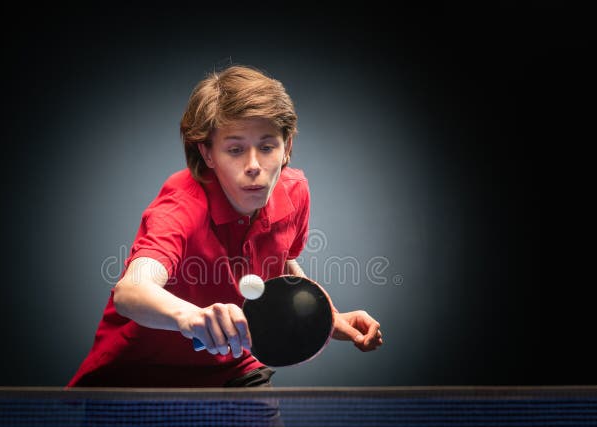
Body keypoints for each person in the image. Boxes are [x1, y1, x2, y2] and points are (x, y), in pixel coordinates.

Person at [69, 65, 383, 389]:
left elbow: (281, 261)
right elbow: (131, 290)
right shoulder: (181, 206)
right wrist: (191, 317)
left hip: (233, 367)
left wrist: (328, 317)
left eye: (267, 147)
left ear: (286, 147)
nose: (254, 166)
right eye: (235, 149)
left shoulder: (294, 192)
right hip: (138, 377)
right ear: (208, 153)